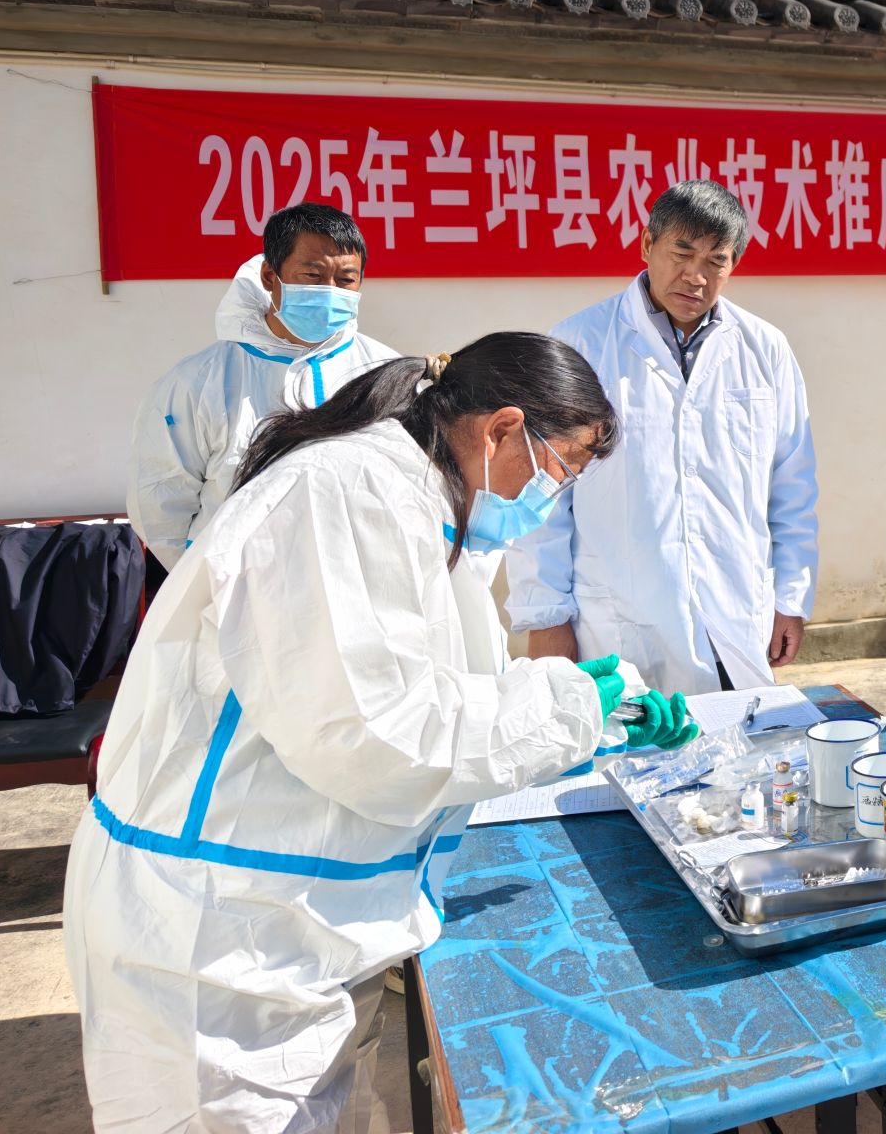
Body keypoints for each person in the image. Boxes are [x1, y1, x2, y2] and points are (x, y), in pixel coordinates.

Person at [64, 334, 698, 1133]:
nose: (552, 495)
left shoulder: (423, 504)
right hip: (214, 943)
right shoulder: (345, 495)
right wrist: (572, 705)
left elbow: (441, 695)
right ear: (503, 430)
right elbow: (378, 737)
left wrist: (597, 719)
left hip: (293, 921)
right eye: (561, 468)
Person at [507, 180, 819, 697]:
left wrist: (790, 598)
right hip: (620, 624)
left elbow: (792, 486)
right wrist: (545, 618)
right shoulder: (579, 343)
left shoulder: (766, 349)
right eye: (682, 252)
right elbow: (541, 494)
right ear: (647, 244)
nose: (695, 276)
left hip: (734, 618)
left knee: (733, 741)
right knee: (631, 744)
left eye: (715, 261)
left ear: (734, 266)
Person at [127, 203, 398, 573]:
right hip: (243, 590)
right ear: (271, 276)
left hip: (359, 582)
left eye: (346, 280)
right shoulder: (200, 382)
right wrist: (209, 581)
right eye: (313, 275)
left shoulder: (385, 372)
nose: (330, 291)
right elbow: (160, 504)